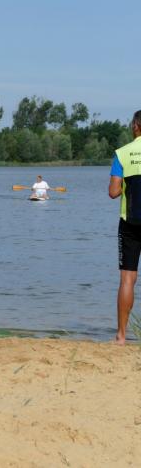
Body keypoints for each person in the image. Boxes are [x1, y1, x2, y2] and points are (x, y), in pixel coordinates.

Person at [109, 109, 141, 344]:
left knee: (128, 279)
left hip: (130, 222)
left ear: (135, 126)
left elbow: (113, 192)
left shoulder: (122, 153)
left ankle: (121, 336)